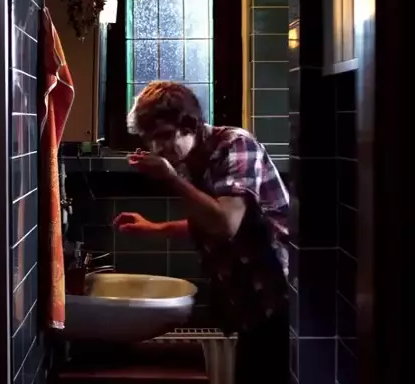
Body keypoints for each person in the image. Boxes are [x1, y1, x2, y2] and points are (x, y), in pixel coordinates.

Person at [114, 81, 290, 384]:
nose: (157, 148)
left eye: (164, 136)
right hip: (253, 307)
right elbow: (209, 222)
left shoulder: (236, 145)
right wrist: (155, 228)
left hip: (283, 301)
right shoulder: (189, 161)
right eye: (149, 139)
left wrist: (172, 178)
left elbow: (225, 224)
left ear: (191, 125)